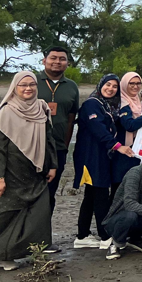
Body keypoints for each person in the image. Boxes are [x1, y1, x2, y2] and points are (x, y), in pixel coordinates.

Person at [0, 72, 59, 273]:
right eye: (23, 85)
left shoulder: (41, 108)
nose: (28, 88)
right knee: (2, 216)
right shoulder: (5, 113)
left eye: (32, 84)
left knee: (34, 215)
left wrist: (52, 165)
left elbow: (49, 139)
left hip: (36, 173)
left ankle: (6, 256)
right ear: (14, 88)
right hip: (11, 174)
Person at [72, 75, 126, 249]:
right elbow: (98, 129)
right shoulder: (91, 104)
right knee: (101, 195)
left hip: (101, 156)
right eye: (107, 84)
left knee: (90, 195)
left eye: (115, 86)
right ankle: (105, 237)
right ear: (100, 85)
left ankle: (82, 235)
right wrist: (117, 146)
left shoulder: (107, 105)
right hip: (90, 156)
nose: (110, 89)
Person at [37, 47, 80, 216]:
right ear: (44, 61)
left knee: (50, 193)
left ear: (67, 63)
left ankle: (44, 230)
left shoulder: (72, 86)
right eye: (53, 58)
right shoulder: (32, 82)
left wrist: (64, 146)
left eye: (62, 59)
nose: (57, 62)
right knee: (31, 192)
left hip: (58, 149)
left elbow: (71, 119)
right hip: (33, 147)